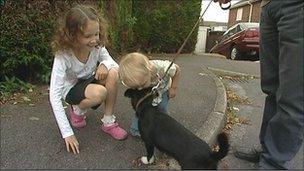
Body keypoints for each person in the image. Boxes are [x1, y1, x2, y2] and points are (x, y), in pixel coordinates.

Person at [214, 0, 304, 169]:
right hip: (268, 7)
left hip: (296, 6)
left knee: (292, 94)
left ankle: (273, 163)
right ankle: (268, 152)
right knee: (272, 89)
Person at [49, 4, 127, 154]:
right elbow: (54, 95)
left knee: (112, 73)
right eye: (87, 36)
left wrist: (104, 64)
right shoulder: (63, 55)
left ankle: (108, 121)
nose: (94, 40)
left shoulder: (97, 46)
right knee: (100, 93)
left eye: (96, 34)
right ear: (72, 35)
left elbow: (114, 65)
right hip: (71, 90)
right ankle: (77, 109)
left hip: (87, 83)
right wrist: (67, 133)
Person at [118, 52, 181, 137]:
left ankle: (163, 127)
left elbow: (177, 71)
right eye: (136, 87)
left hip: (162, 90)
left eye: (142, 84)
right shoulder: (133, 80)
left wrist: (174, 87)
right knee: (142, 110)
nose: (140, 89)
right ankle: (136, 129)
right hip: (148, 92)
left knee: (161, 108)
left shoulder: (164, 68)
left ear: (149, 71)